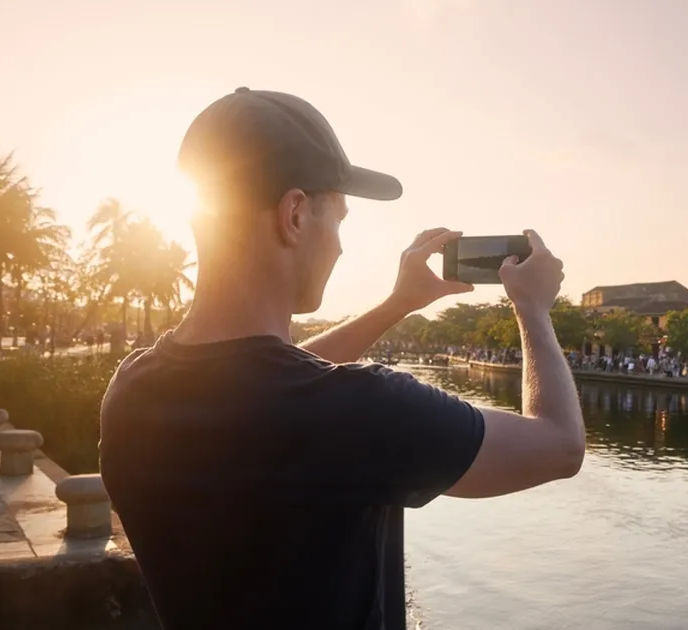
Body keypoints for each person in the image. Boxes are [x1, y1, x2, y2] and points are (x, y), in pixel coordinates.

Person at [98, 88, 585, 630]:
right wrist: (533, 309)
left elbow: (265, 381)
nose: (340, 246)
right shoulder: (359, 410)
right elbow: (560, 446)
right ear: (296, 215)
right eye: (341, 219)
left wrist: (398, 304)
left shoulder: (133, 391)